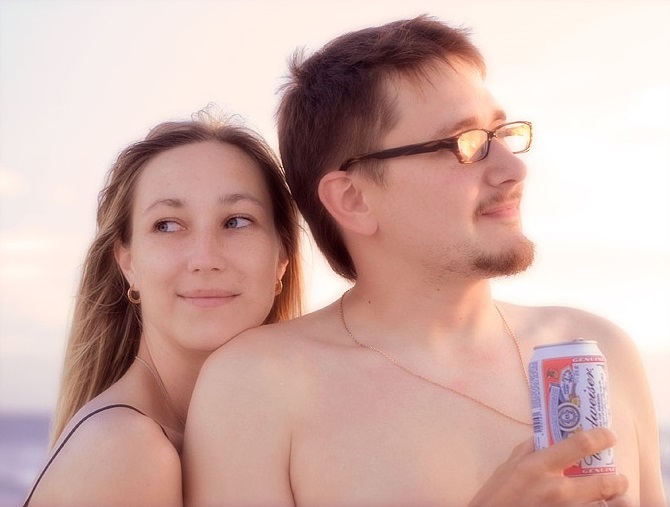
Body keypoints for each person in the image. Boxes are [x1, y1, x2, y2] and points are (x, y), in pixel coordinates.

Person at [183, 16, 666, 506]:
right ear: (353, 199)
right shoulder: (259, 386)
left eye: (501, 132)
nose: (513, 169)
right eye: (466, 144)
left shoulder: (597, 349)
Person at [23, 113, 303, 507]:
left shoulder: (262, 440)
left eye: (236, 221)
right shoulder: (126, 449)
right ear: (128, 263)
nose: (205, 258)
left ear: (281, 259)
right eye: (168, 225)